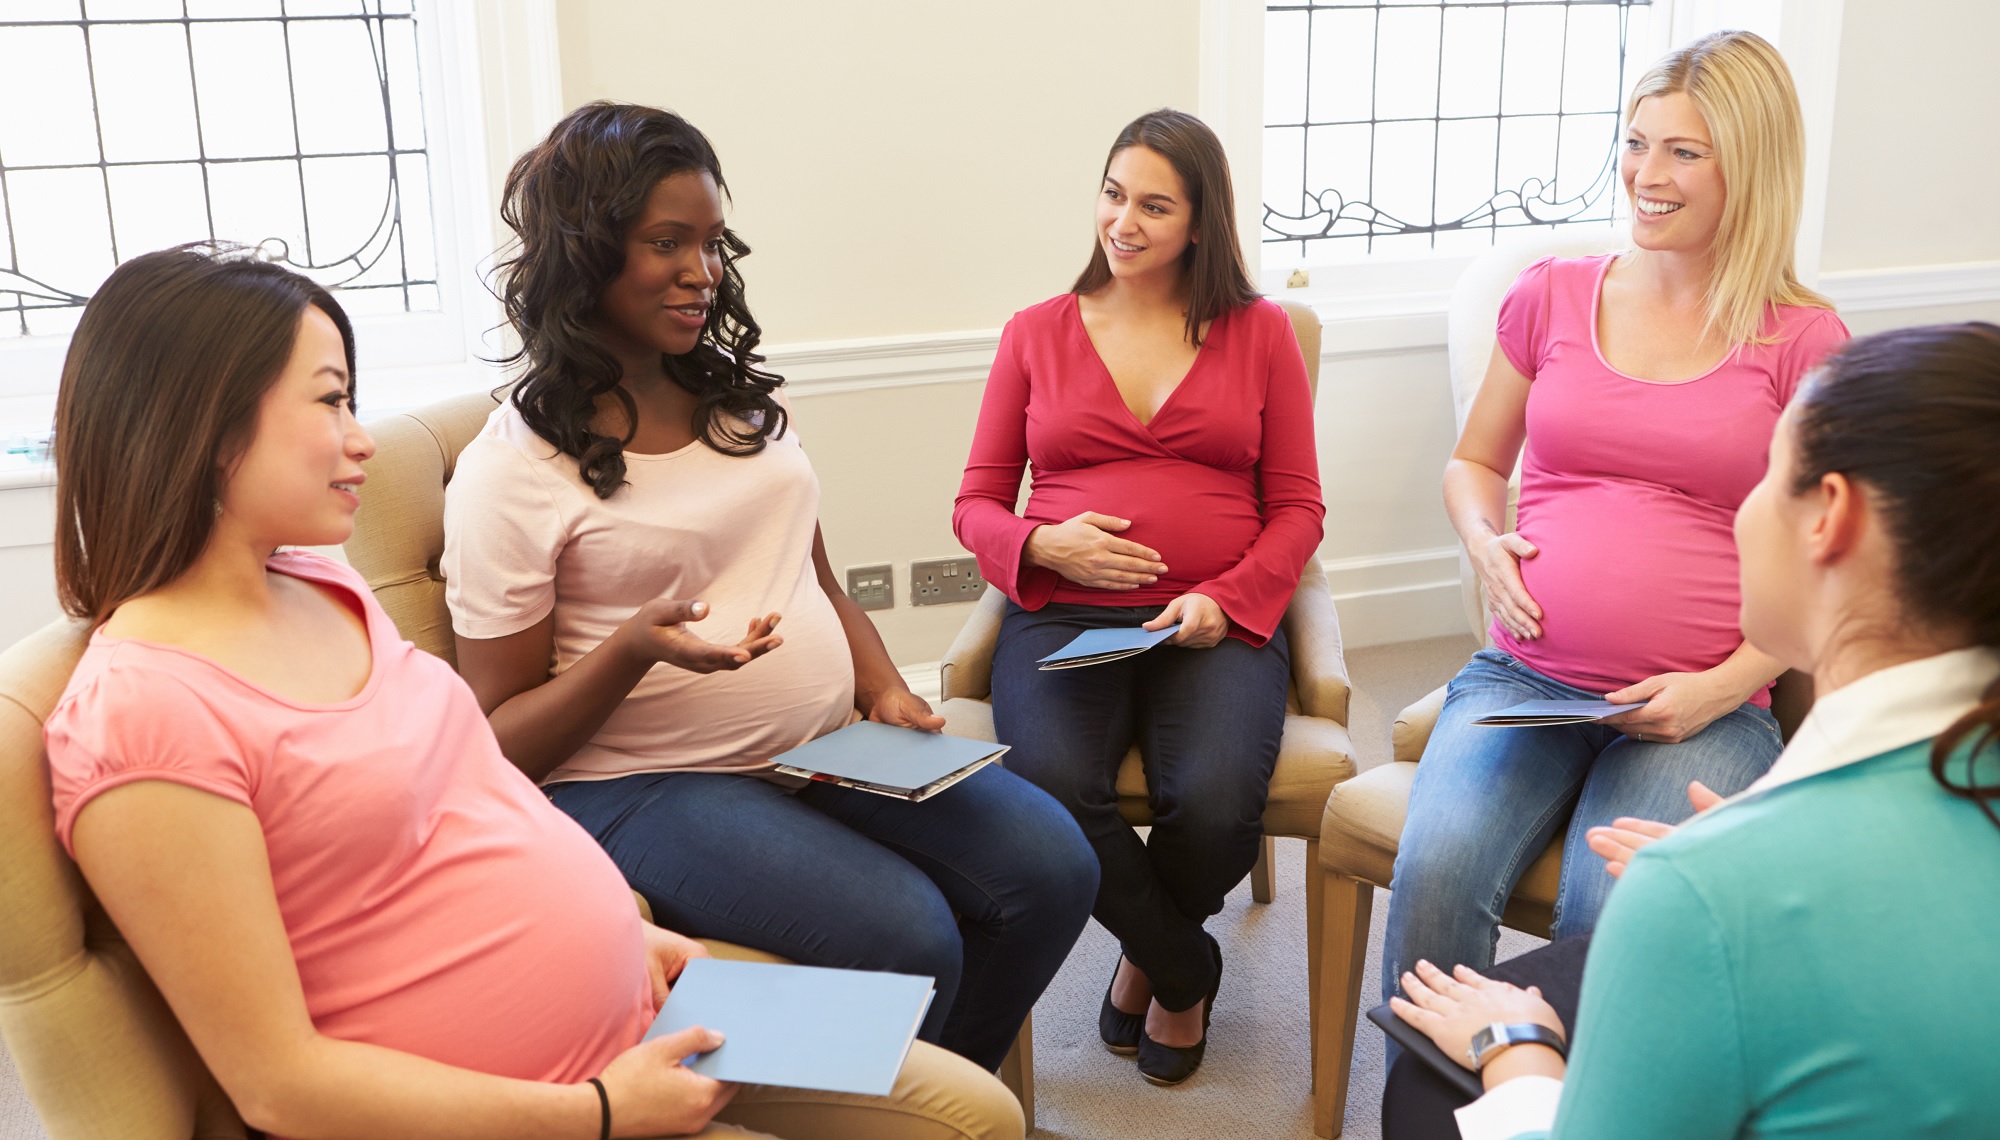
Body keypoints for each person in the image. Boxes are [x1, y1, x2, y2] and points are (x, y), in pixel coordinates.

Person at [43, 245, 1025, 1140]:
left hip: (639, 1021)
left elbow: (474, 787)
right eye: (330, 401)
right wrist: (599, 1111)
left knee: (977, 1111)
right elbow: (278, 1086)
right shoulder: (143, 716)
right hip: (540, 1108)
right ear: (210, 428)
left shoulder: (317, 585)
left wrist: (628, 930)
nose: (361, 442)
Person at [443, 103, 1097, 1074]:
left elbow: (814, 576)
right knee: (907, 934)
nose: (700, 271)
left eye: (710, 242)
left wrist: (880, 684)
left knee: (1054, 865)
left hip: (818, 743)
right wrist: (632, 650)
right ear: (583, 253)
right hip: (637, 785)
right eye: (665, 242)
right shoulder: (515, 470)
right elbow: (492, 745)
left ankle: (942, 1108)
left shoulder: (745, 405)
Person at [1387, 320, 2000, 1138]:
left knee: (1430, 1090)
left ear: (1830, 516)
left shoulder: (1706, 892)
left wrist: (1515, 1046)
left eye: (1765, 474)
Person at [1381, 30, 1852, 1003]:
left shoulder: (1803, 339)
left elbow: (1833, 570)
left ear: (1747, 168)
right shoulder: (1549, 295)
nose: (1644, 172)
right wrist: (1482, 541)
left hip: (1697, 711)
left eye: (1683, 151)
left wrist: (1721, 688)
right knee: (1434, 879)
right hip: (1524, 678)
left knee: (1614, 920)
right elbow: (1473, 463)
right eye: (1635, 142)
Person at [953, 108, 1324, 1085]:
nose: (1122, 221)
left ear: (1199, 223)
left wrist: (1228, 598)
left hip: (1212, 621)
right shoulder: (1035, 333)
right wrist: (1045, 543)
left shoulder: (1261, 335)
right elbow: (974, 505)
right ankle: (1182, 963)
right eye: (1113, 195)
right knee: (1044, 792)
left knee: (1207, 798)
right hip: (1066, 615)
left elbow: (1295, 510)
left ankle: (1148, 953)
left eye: (1153, 206)